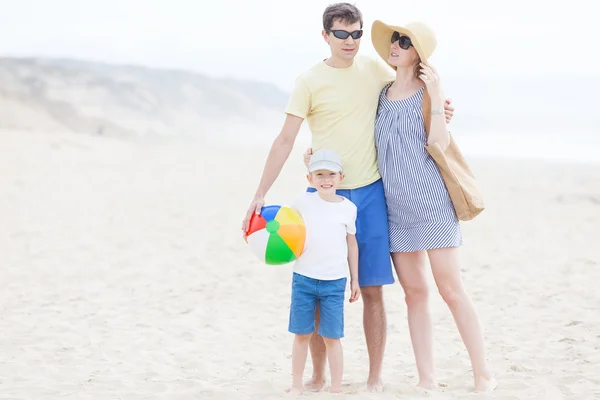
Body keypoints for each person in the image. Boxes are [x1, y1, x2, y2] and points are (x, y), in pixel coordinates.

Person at [241, 3, 454, 392]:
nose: (351, 41)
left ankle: (374, 378)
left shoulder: (374, 69)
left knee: (372, 289)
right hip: (322, 194)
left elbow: (410, 86)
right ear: (326, 36)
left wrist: (441, 107)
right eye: (342, 34)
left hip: (372, 192)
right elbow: (285, 139)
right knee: (320, 283)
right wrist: (260, 193)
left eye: (356, 34)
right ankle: (319, 375)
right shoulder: (308, 81)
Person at [369, 20, 498, 392]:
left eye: (404, 41)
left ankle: (483, 373)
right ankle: (427, 379)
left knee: (451, 290)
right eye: (394, 38)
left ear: (418, 53)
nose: (395, 44)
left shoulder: (429, 93)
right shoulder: (380, 94)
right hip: (395, 209)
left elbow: (439, 142)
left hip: (432, 205)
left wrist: (438, 96)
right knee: (415, 294)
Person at [286, 149, 361, 395]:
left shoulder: (348, 208)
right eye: (319, 174)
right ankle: (297, 384)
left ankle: (336, 387)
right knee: (301, 334)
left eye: (331, 174)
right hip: (304, 279)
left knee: (332, 337)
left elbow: (352, 243)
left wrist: (355, 280)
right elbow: (287, 229)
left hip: (334, 282)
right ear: (310, 178)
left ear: (341, 177)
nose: (325, 179)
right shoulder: (302, 203)